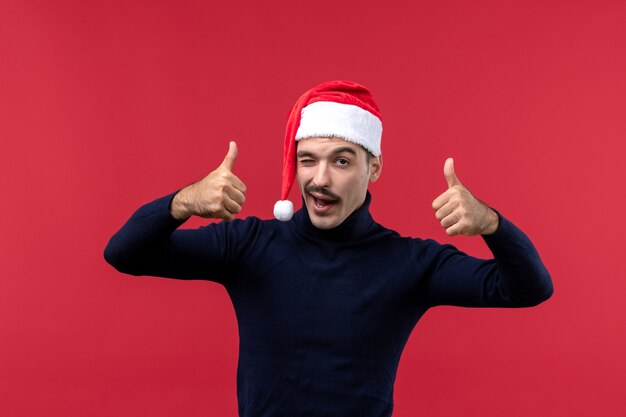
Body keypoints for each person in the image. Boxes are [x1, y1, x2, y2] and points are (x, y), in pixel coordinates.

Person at [104, 80, 553, 417]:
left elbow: (528, 288)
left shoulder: (411, 262)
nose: (320, 179)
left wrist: (492, 224)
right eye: (307, 160)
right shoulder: (247, 244)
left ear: (373, 167)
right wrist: (182, 202)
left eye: (341, 161)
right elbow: (124, 253)